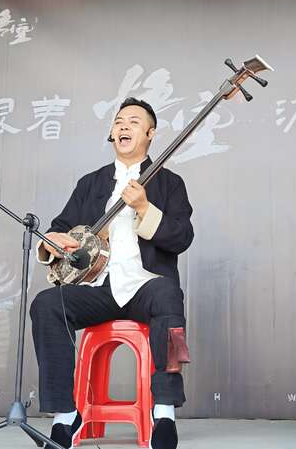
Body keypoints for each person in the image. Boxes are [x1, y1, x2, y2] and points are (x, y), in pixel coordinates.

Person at [31, 97, 193, 449]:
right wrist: (53, 243)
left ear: (150, 133)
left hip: (144, 286)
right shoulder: (90, 183)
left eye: (133, 121)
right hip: (98, 289)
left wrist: (145, 208)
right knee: (47, 304)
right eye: (118, 121)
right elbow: (59, 229)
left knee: (169, 293)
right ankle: (65, 415)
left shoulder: (169, 183)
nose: (123, 126)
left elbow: (182, 238)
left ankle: (164, 412)